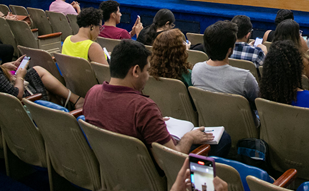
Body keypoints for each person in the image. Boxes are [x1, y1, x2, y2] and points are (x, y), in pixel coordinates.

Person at [83, 40, 228, 156]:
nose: (148, 76)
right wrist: (188, 138)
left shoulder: (92, 92)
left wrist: (154, 122)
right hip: (151, 177)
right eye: (147, 70)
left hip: (112, 167)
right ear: (136, 71)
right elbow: (171, 159)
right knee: (223, 139)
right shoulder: (143, 108)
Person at [191, 21, 259, 106]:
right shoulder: (245, 78)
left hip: (206, 118)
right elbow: (258, 103)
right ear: (230, 50)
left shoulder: (196, 69)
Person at [0, 55, 84, 108]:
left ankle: (72, 103)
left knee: (36, 71)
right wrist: (19, 77)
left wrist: (4, 67)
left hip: (10, 94)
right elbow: (16, 95)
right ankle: (70, 106)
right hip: (17, 104)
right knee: (47, 90)